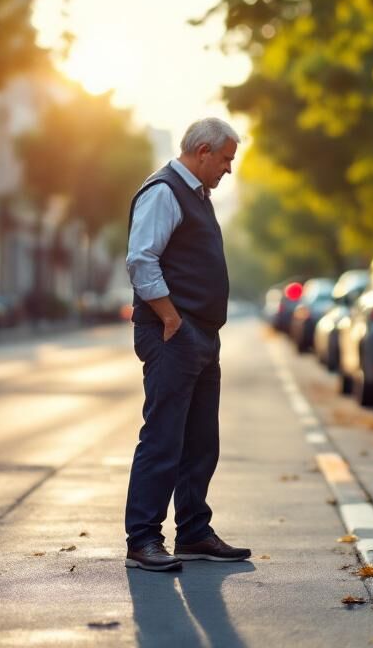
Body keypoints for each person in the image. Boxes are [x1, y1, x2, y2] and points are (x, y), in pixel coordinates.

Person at [122, 117, 249, 571]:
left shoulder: (196, 194)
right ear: (202, 152)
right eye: (226, 159)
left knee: (200, 440)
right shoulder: (163, 192)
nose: (228, 169)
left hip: (200, 333)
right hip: (173, 332)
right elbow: (141, 260)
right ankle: (143, 539)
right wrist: (171, 316)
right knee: (163, 438)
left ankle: (194, 532)